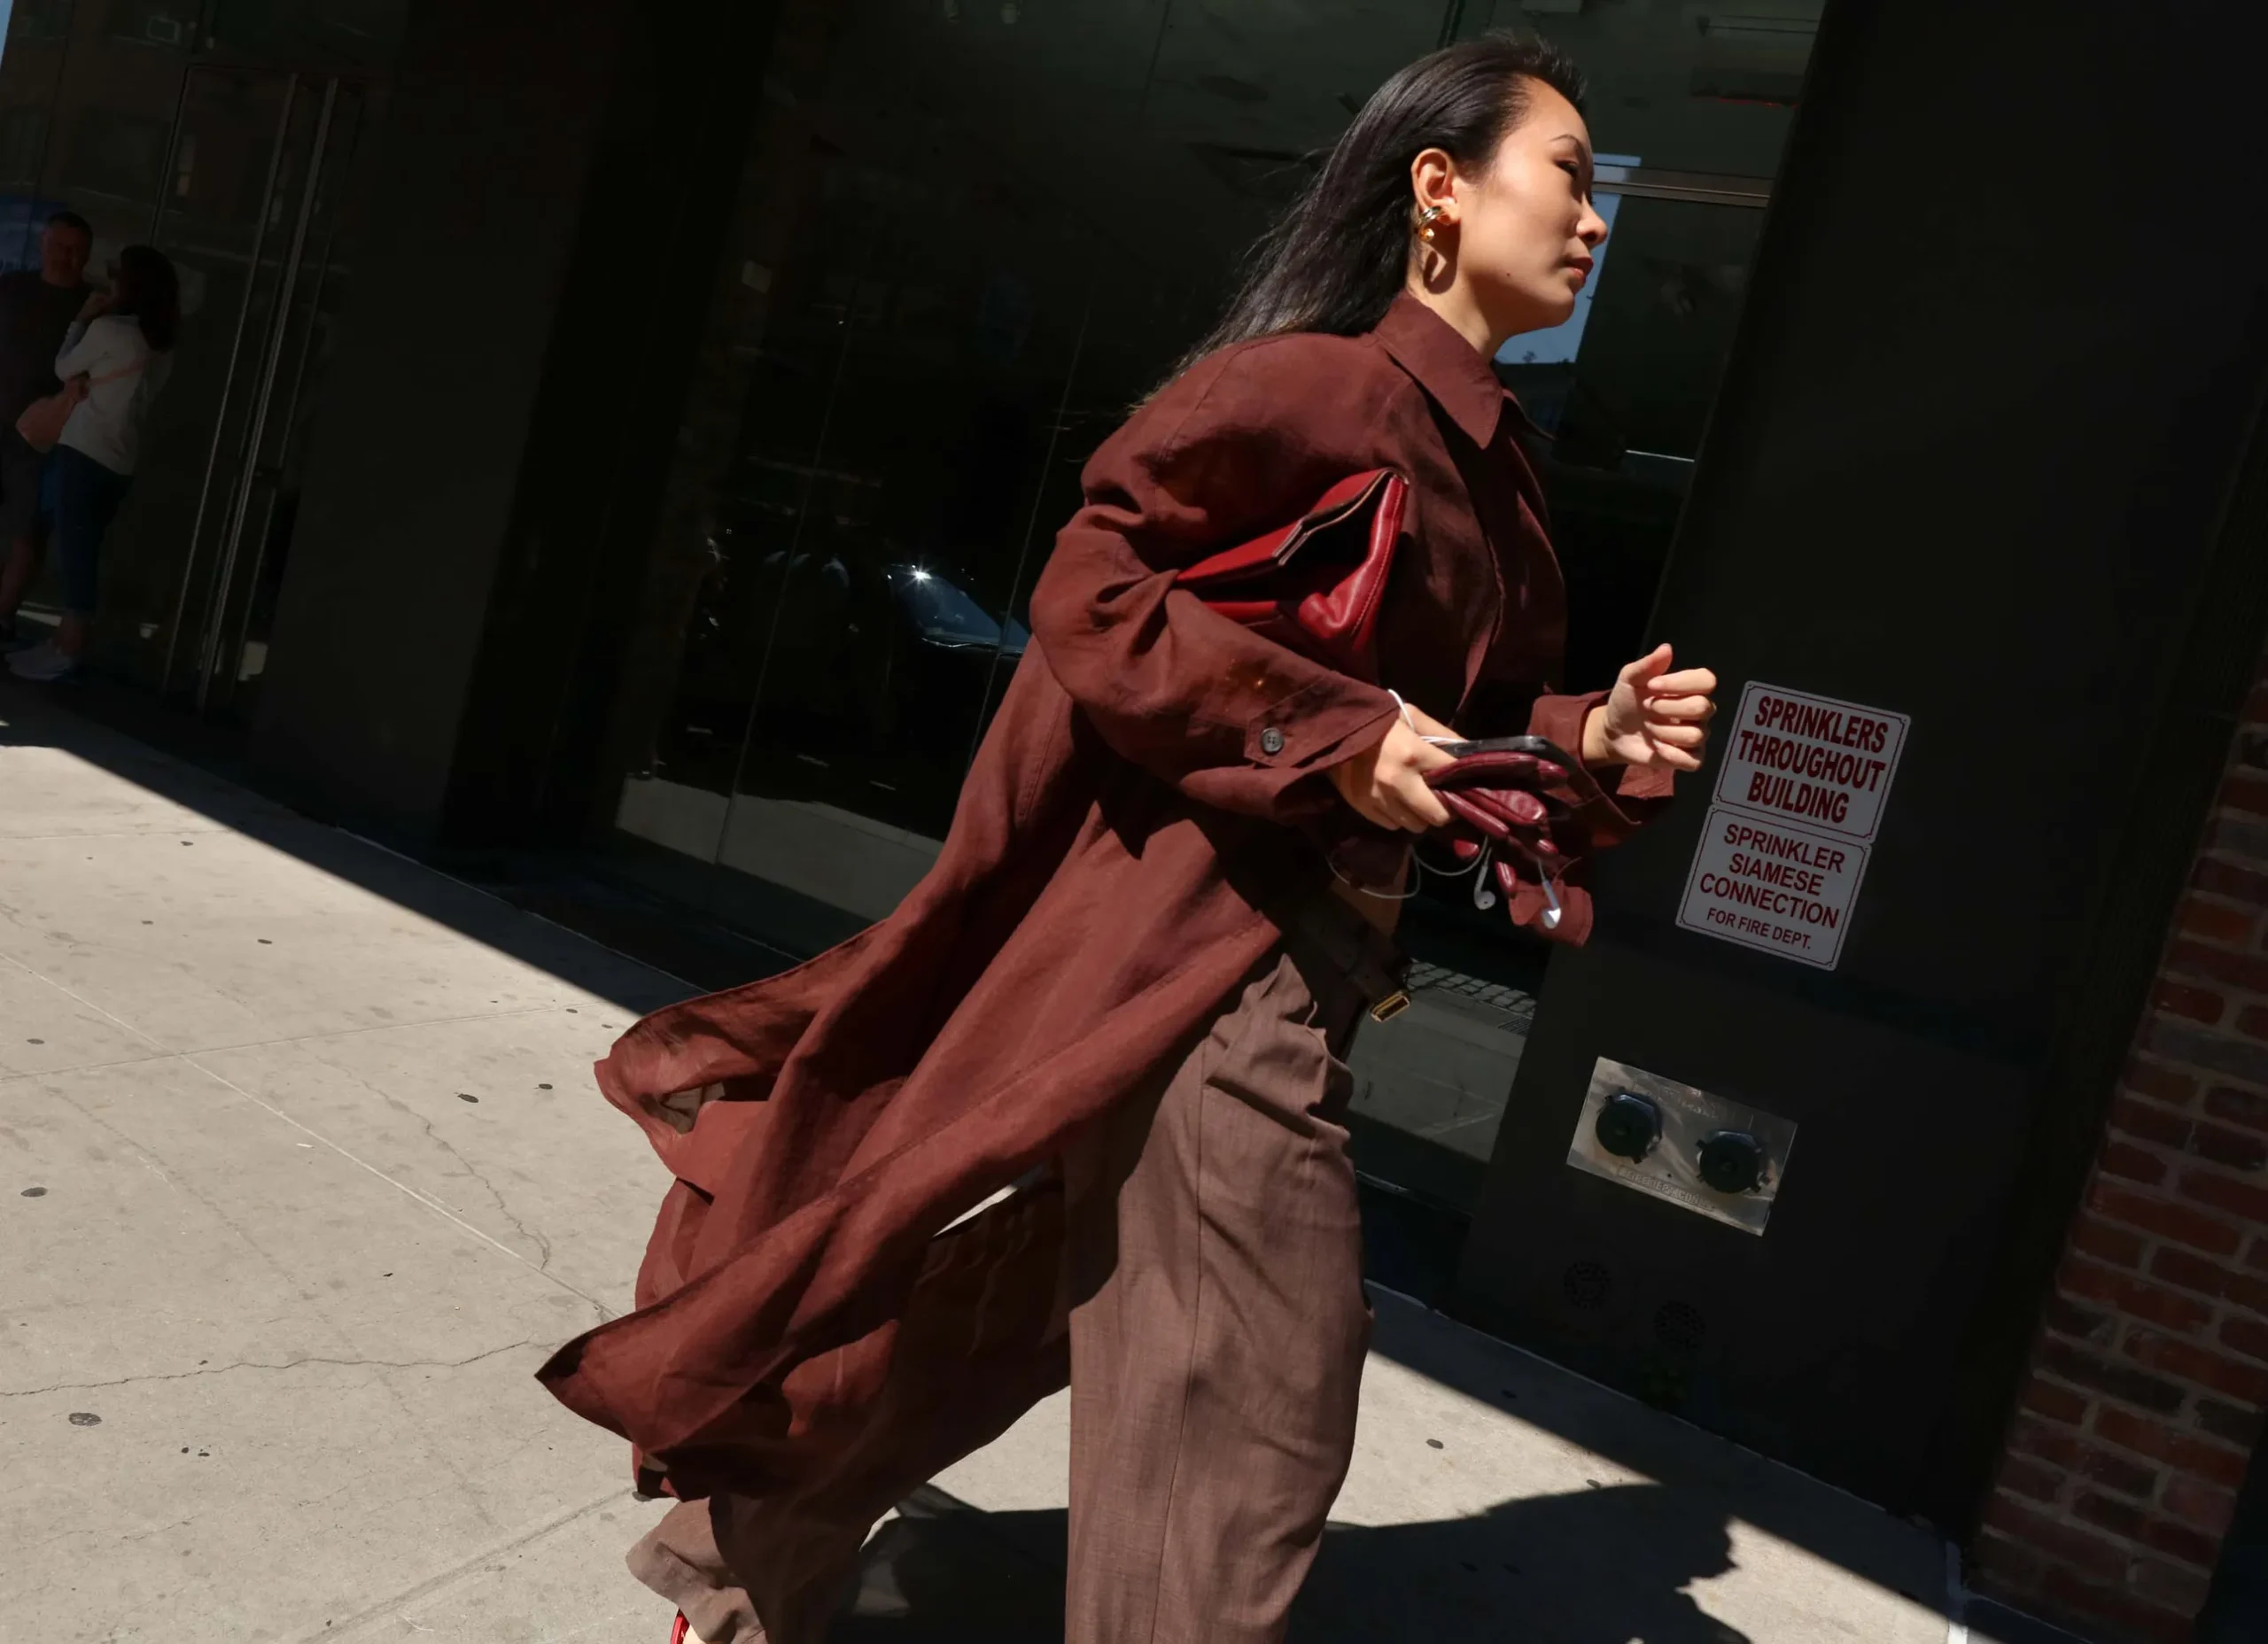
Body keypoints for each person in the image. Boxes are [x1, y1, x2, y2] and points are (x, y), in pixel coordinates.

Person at [538, 34, 1720, 1644]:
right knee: (1253, 1395)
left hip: (1275, 968)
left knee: (1019, 1317)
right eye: (1570, 177)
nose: (1595, 222)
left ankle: (736, 1582)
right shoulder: (1317, 385)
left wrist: (1591, 737)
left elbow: (1471, 727)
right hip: (1204, 967)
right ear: (1439, 190)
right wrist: (1341, 736)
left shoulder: (1497, 471)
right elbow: (1097, 589)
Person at [8, 244, 178, 683]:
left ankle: (69, 643)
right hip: (120, 459)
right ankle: (64, 639)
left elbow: (65, 367)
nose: (109, 280)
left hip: (82, 450)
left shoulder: (110, 330)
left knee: (72, 549)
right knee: (83, 545)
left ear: (130, 283)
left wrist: (81, 319)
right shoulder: (161, 344)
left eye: (115, 273)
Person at [0, 210, 94, 649]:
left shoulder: (93, 312)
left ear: (86, 256)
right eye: (57, 246)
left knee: (26, 534)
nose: (63, 257)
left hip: (42, 440)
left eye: (73, 250)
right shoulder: (11, 289)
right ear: (42, 247)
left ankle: (2, 619)